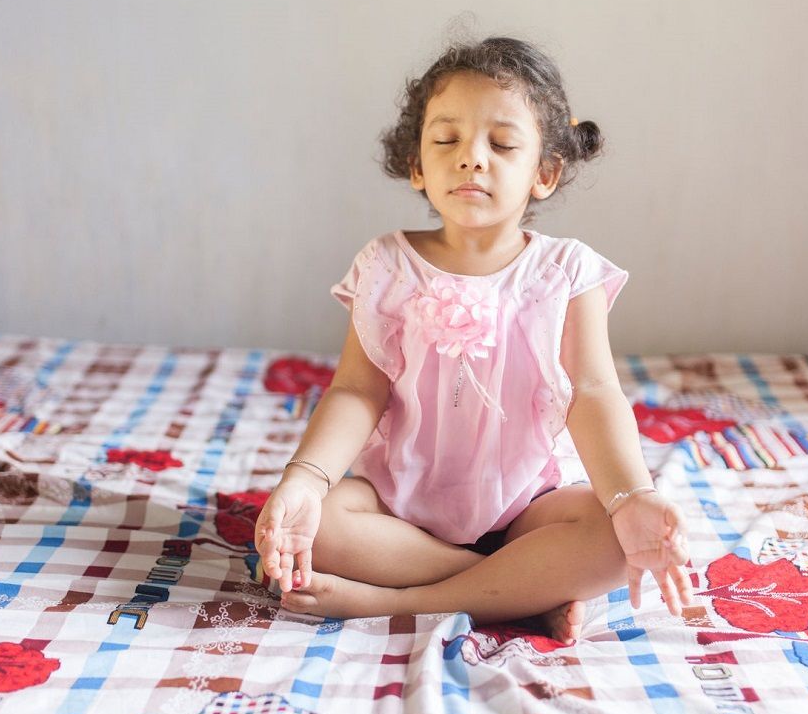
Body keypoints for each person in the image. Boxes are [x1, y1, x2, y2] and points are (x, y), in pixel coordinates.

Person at [253, 36, 693, 643]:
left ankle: (401, 601)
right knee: (318, 524)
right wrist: (305, 478)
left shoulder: (566, 271)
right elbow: (356, 390)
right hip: (401, 507)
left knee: (618, 540)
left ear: (545, 173)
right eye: (446, 141)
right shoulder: (387, 264)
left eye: (502, 144)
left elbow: (593, 392)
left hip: (531, 504)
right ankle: (516, 590)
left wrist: (632, 497)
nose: (471, 159)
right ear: (417, 165)